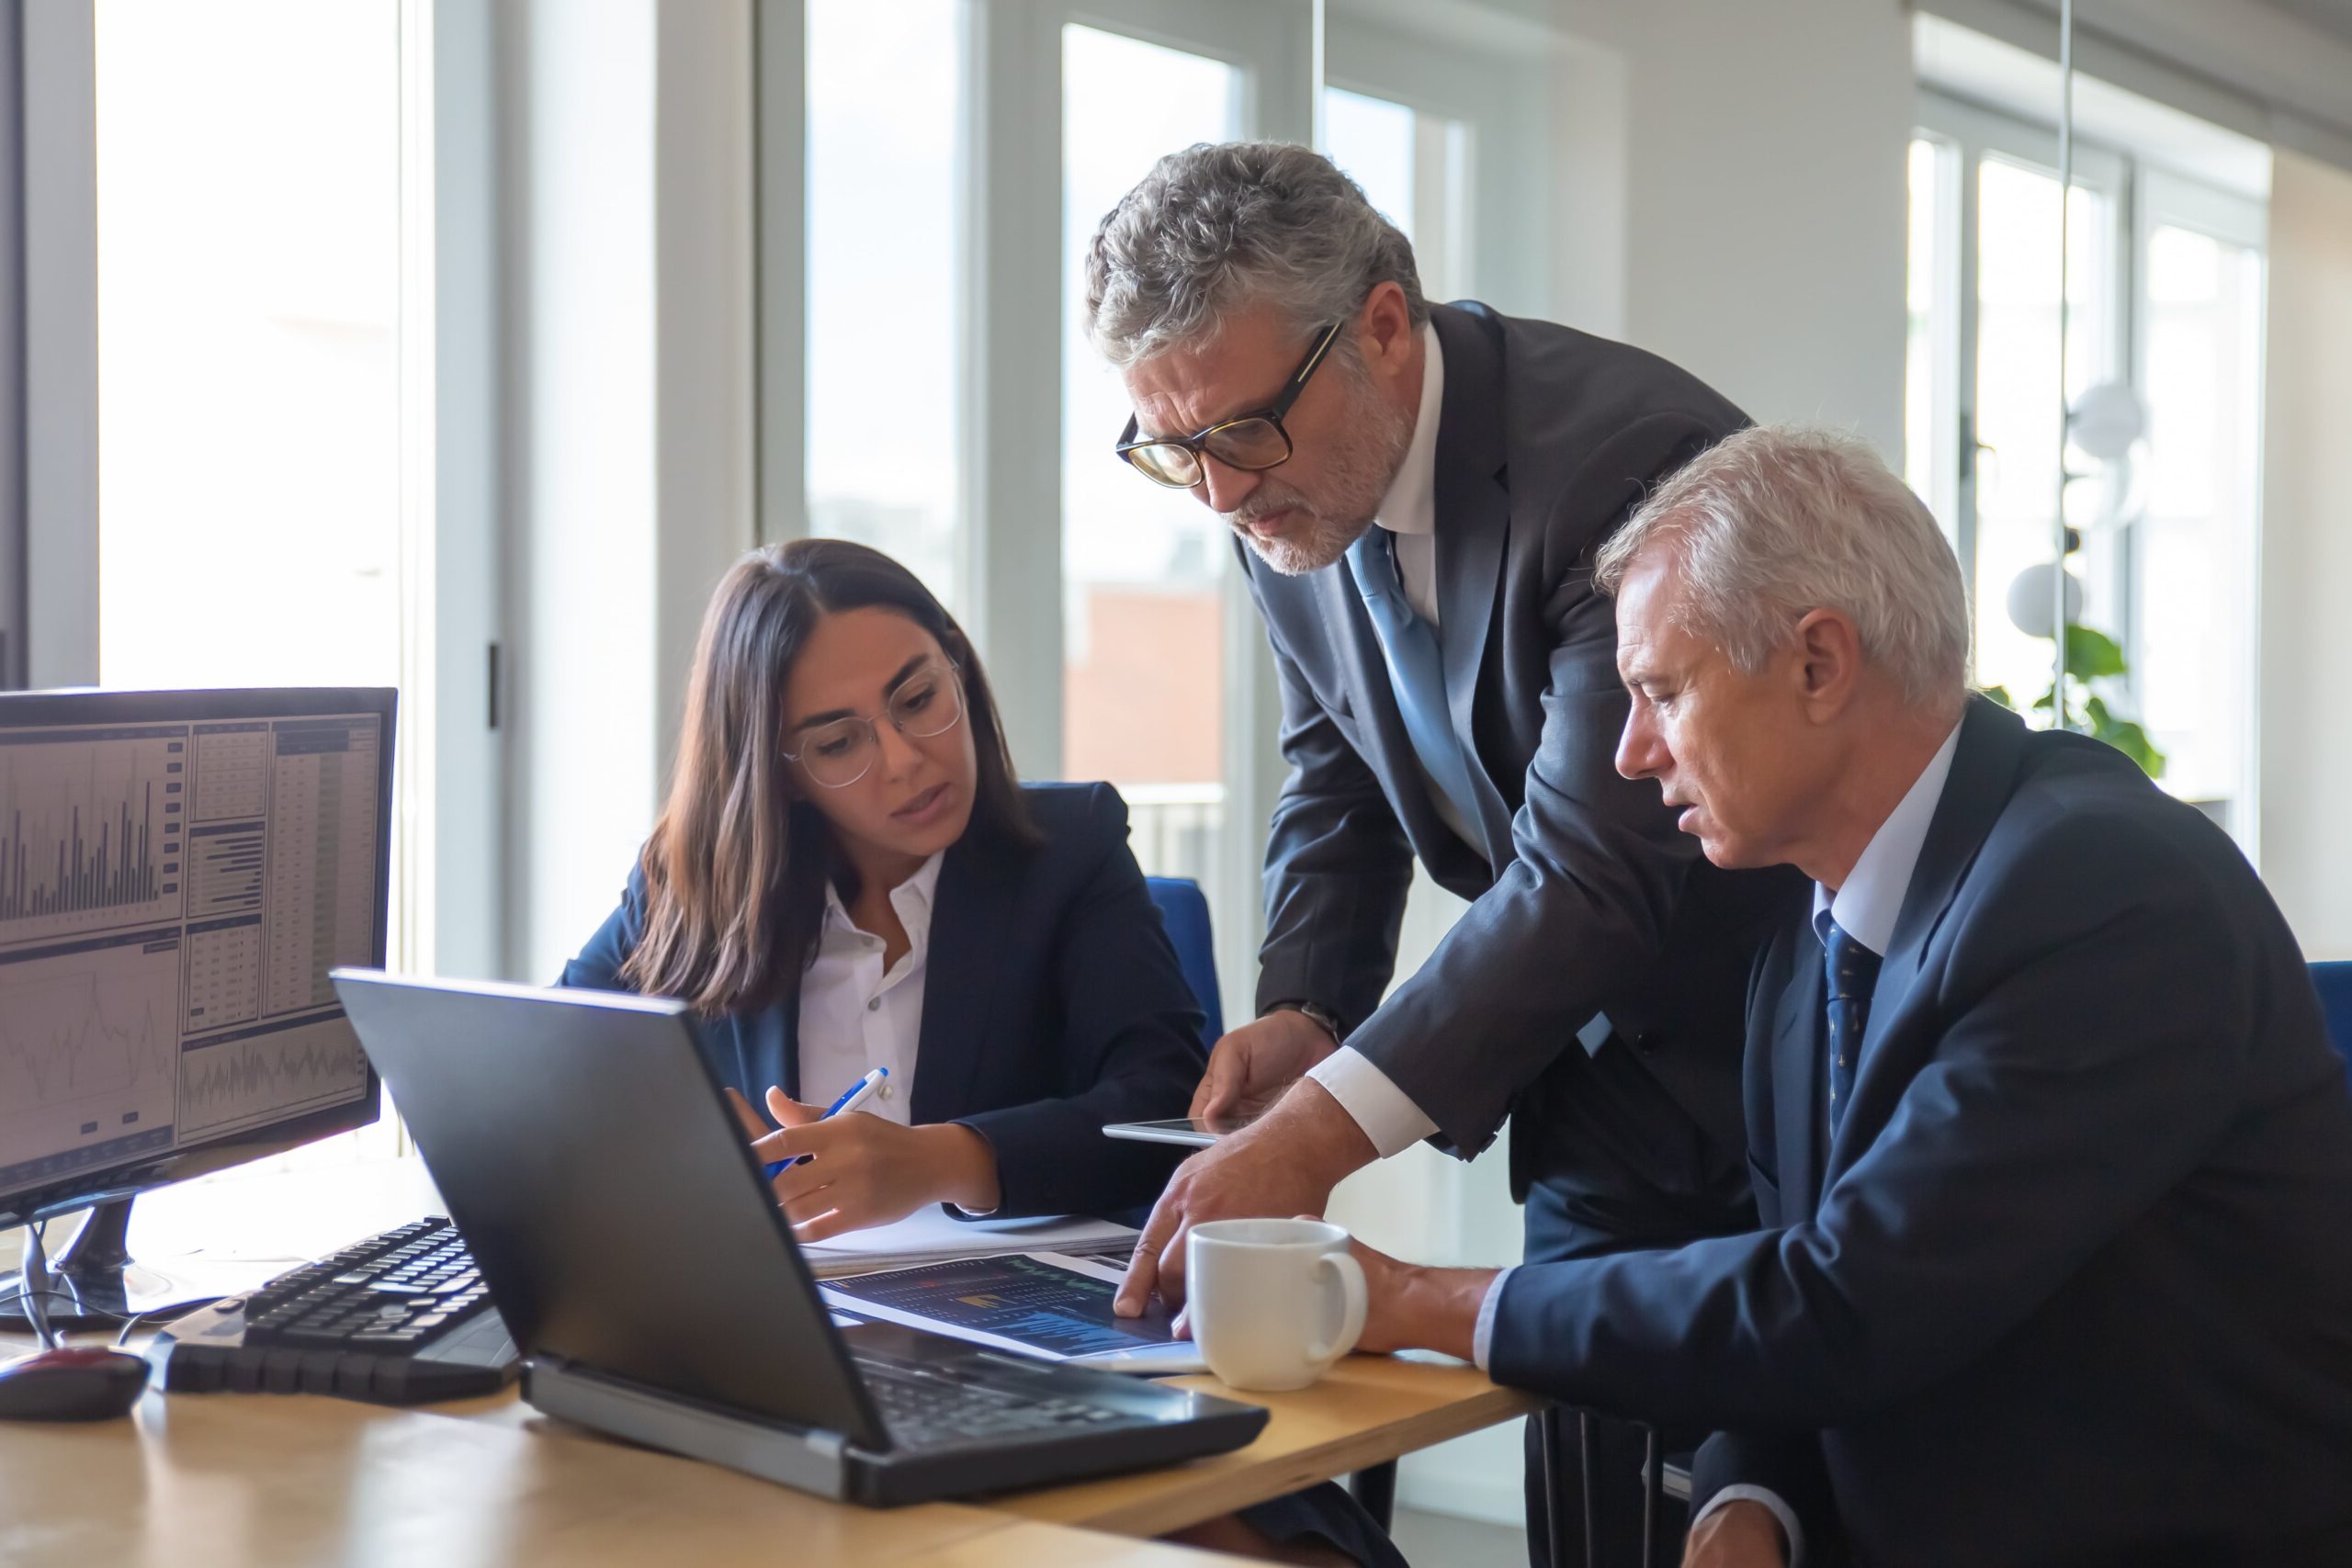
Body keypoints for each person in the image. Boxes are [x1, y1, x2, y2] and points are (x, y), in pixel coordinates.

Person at [1334, 425, 2352, 1567]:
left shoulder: (2104, 889)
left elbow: (1847, 1305)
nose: (1628, 753)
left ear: (1818, 664)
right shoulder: (1803, 937)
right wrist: (1745, 1506)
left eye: (1660, 692)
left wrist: (1416, 1299)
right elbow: (1790, 1303)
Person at [1084, 141, 1804, 1554]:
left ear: (1385, 327)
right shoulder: (1275, 480)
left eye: (1238, 435)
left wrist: (1315, 1133)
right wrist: (1306, 1008)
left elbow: (1593, 871)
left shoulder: (1628, 467)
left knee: (1763, 1512)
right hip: (1589, 1081)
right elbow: (1338, 768)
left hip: (1787, 1065)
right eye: (1173, 451)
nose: (1219, 497)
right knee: (1597, 1514)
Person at [560, 538, 1205, 1235]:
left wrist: (944, 1160)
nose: (905, 760)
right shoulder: (696, 881)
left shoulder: (1074, 849)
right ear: (780, 773)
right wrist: (678, 1128)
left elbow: (1165, 1110)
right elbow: (550, 1066)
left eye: (919, 697)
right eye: (839, 743)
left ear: (957, 664)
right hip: (778, 1316)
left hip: (1006, 1315)